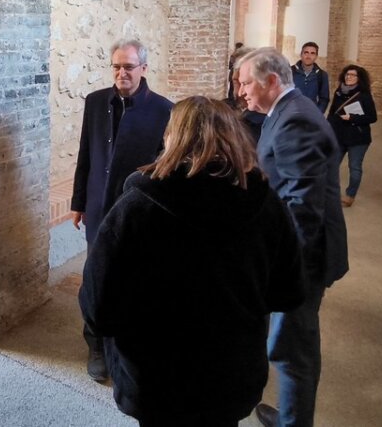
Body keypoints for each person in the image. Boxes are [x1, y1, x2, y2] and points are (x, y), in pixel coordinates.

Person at [79, 97, 306, 427]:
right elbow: (288, 292)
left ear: (171, 137)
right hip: (231, 374)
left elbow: (98, 306)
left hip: (156, 375)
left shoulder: (137, 208)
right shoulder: (266, 205)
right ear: (234, 136)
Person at [237, 47, 348, 427]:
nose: (241, 91)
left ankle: (294, 422)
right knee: (291, 343)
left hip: (303, 260)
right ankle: (290, 414)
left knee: (291, 349)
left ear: (271, 81)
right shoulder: (282, 111)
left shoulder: (296, 119)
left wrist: (285, 270)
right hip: (295, 253)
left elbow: (303, 208)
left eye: (246, 83)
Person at [71, 38, 173, 383]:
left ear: (143, 68)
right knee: (96, 277)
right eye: (116, 66)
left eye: (128, 67)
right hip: (97, 206)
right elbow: (85, 153)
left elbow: (164, 167)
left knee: (131, 278)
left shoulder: (164, 110)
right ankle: (96, 344)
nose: (121, 73)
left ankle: (124, 343)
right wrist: (79, 202)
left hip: (136, 211)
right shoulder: (95, 102)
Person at [327, 65, 377, 208]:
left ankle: (350, 195)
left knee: (354, 167)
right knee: (331, 164)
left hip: (358, 138)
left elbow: (372, 117)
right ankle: (330, 192)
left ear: (359, 78)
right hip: (339, 136)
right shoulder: (339, 92)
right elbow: (332, 113)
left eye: (353, 75)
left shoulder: (364, 95)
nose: (349, 77)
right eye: (347, 74)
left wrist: (352, 118)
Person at [225, 45, 266, 143]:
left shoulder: (270, 121)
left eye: (246, 83)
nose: (239, 92)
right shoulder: (225, 110)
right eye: (236, 82)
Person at [290, 42, 330, 112]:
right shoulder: (289, 71)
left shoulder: (322, 75)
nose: (308, 56)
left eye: (312, 53)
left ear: (316, 56)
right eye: (306, 52)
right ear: (301, 54)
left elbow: (324, 98)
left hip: (311, 114)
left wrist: (317, 113)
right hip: (291, 114)